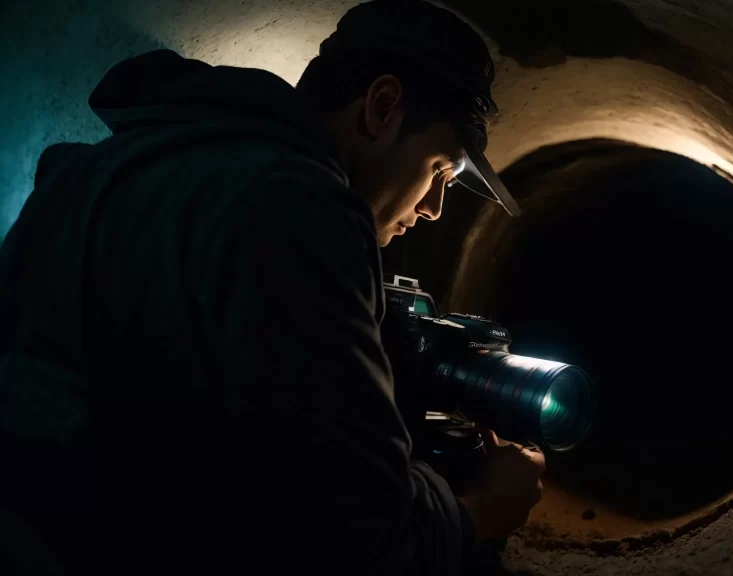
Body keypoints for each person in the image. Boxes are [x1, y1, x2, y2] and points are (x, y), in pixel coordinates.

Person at [0, 1, 544, 574]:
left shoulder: (100, 168)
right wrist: (479, 509)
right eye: (439, 170)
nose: (435, 208)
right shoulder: (298, 205)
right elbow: (356, 529)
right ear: (382, 108)